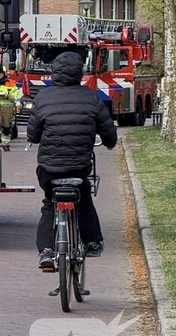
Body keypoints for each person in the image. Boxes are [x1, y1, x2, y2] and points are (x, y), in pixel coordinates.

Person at [27, 51, 117, 270]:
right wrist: (109, 142)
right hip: (78, 167)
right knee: (84, 197)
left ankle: (47, 251)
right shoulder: (92, 98)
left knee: (50, 203)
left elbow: (32, 134)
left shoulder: (43, 98)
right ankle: (93, 241)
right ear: (80, 73)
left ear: (54, 73)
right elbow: (109, 134)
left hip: (49, 168)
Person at [0, 65, 21, 150]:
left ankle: (5, 144)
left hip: (8, 107)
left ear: (4, 73)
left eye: (1, 73)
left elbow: (16, 95)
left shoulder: (11, 83)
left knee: (6, 128)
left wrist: (7, 96)